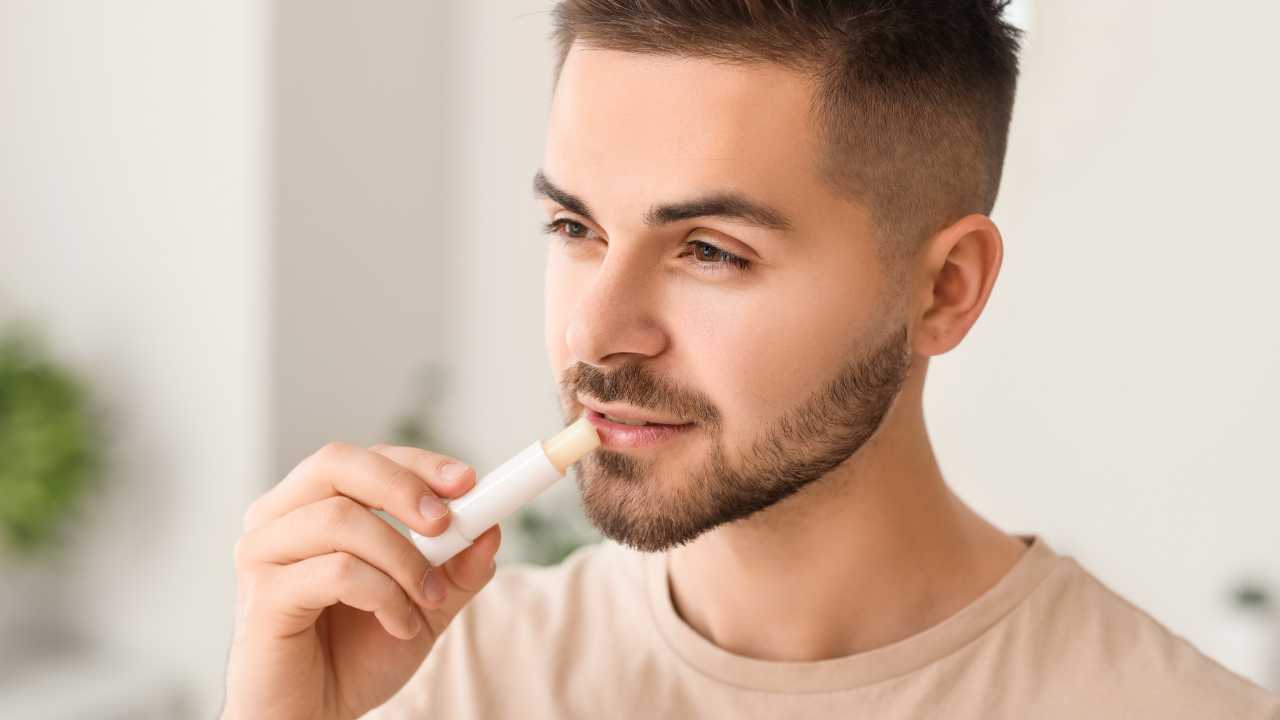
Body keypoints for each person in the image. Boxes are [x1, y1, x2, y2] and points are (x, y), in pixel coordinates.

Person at [220, 2, 1280, 718]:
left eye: (709, 252)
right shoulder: (457, 677)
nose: (596, 333)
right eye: (574, 228)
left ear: (942, 289)